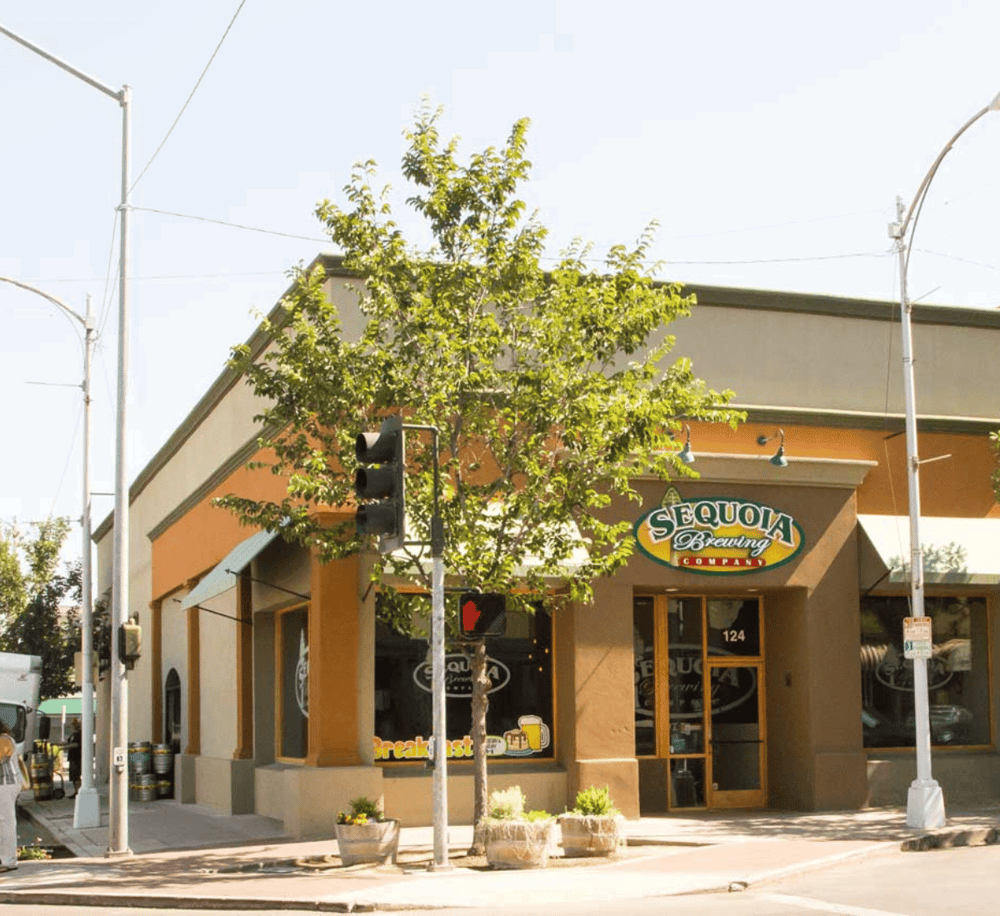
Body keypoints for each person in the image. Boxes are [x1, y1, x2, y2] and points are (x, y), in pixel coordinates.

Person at [0, 721, 26, 872]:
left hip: (6, 784)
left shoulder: (4, 740)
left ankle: (9, 861)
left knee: (6, 822)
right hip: (4, 784)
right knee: (3, 822)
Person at [66, 718, 82, 794]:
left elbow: (76, 744)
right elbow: (68, 743)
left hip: (77, 757)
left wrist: (65, 747)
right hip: (71, 757)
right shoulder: (72, 735)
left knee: (76, 775)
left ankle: (78, 791)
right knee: (73, 776)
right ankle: (75, 790)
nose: (73, 726)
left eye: (75, 724)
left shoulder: (80, 734)